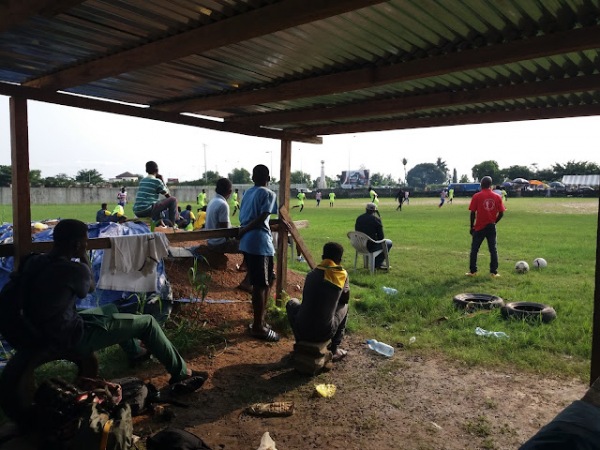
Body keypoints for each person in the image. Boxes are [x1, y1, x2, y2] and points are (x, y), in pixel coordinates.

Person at [1, 219, 207, 394]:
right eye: (84, 242)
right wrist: (83, 259)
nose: (86, 245)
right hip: (68, 337)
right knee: (149, 323)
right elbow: (89, 288)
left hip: (38, 328)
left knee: (112, 309)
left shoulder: (33, 261)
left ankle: (135, 353)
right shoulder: (73, 270)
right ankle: (181, 375)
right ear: (75, 245)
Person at [286, 242, 349, 362]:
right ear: (340, 260)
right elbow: (345, 300)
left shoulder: (311, 274)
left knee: (292, 302)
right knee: (345, 306)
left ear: (322, 257)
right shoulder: (341, 275)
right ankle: (334, 349)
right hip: (324, 331)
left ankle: (300, 342)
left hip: (302, 328)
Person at [238, 164, 281, 342]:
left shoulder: (247, 193)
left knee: (269, 279)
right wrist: (248, 228)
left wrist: (244, 230)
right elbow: (263, 217)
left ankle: (260, 320)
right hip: (259, 242)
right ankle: (258, 327)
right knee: (261, 285)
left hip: (248, 242)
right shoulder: (269, 194)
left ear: (252, 178)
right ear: (268, 178)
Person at [205, 178, 251, 290]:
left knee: (244, 236)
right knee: (251, 244)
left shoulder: (213, 201)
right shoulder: (223, 204)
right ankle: (247, 277)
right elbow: (225, 231)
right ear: (230, 192)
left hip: (211, 240)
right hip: (219, 243)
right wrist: (239, 233)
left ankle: (244, 265)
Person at [466, 176, 506, 278]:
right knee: (493, 250)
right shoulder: (497, 197)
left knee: (474, 250)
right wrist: (494, 222)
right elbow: (501, 213)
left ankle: (473, 271)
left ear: (481, 184)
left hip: (479, 227)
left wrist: (472, 227)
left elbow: (472, 213)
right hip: (491, 227)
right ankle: (494, 272)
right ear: (490, 185)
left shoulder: (477, 196)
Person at [133, 161, 178, 228]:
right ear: (157, 170)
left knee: (157, 204)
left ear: (146, 170)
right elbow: (168, 196)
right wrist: (162, 181)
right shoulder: (157, 181)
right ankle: (172, 226)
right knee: (173, 200)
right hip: (147, 210)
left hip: (137, 211)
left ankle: (160, 224)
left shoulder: (142, 181)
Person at [355, 203, 392, 270]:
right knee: (388, 243)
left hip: (359, 245)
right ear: (374, 211)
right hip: (371, 246)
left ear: (366, 209)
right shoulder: (375, 219)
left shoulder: (359, 218)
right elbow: (381, 237)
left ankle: (375, 263)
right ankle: (378, 263)